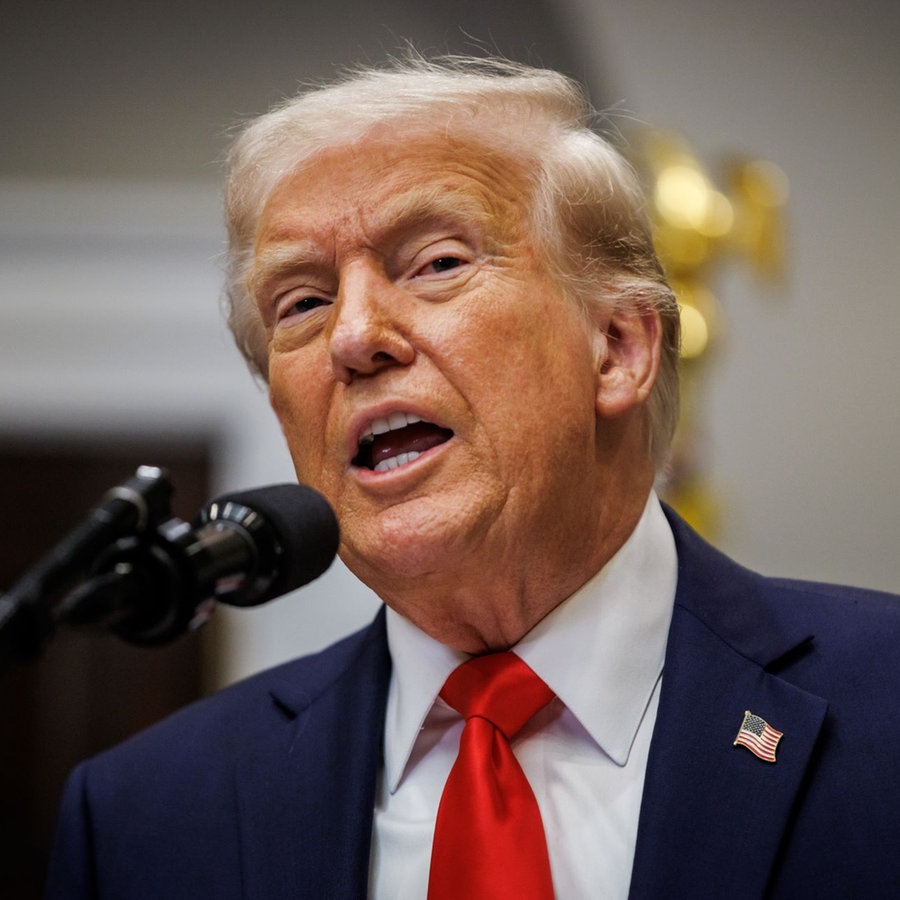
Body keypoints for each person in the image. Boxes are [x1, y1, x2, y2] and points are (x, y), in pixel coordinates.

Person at [46, 56, 900, 899]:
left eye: (437, 263)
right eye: (301, 303)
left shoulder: (883, 705)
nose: (353, 337)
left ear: (618, 348)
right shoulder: (144, 816)